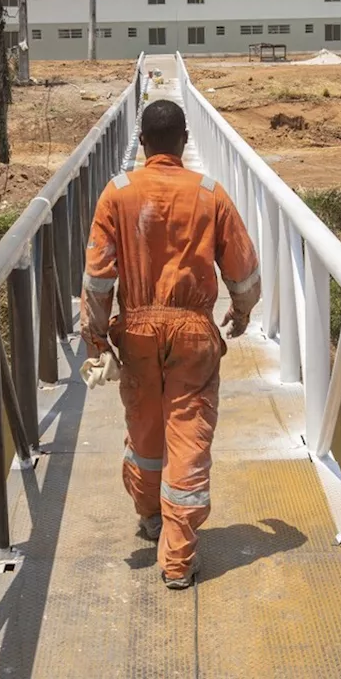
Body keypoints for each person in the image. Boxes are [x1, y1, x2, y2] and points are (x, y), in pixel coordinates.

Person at [80, 99, 261, 590]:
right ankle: (178, 561)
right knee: (189, 433)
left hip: (135, 330)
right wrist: (241, 312)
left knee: (144, 431)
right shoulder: (210, 193)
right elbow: (243, 271)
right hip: (192, 334)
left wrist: (96, 339)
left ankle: (149, 515)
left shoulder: (116, 194)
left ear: (142, 144)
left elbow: (98, 278)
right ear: (183, 142)